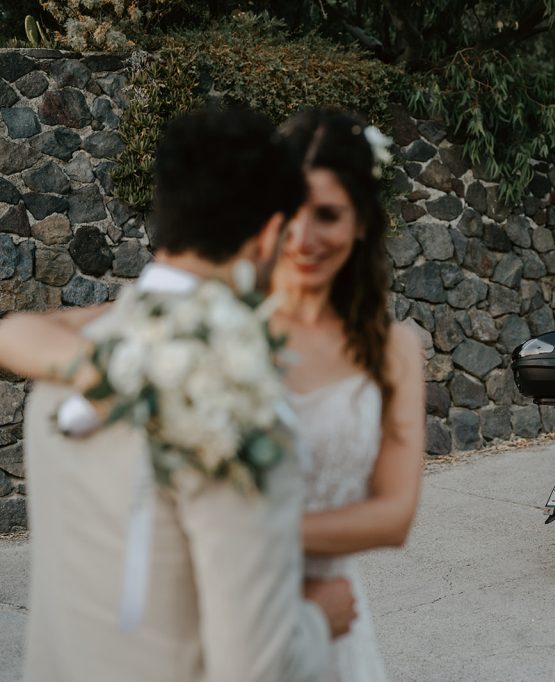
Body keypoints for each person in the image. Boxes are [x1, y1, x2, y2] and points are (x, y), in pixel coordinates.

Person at [0, 108, 356, 681]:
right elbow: (254, 668)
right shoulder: (232, 393)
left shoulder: (63, 364)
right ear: (272, 234)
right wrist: (321, 619)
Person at [275, 109, 425, 682]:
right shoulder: (225, 324)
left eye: (327, 215)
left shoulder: (394, 350)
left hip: (337, 620)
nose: (302, 236)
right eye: (288, 209)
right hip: (226, 608)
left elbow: (395, 514)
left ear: (361, 221)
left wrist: (246, 532)